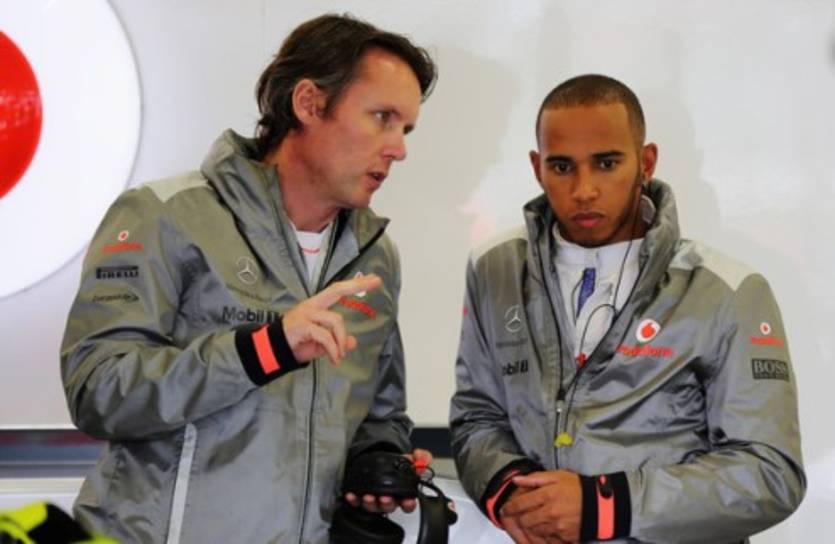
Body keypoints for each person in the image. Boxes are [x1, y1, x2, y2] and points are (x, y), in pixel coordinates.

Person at [61, 14, 436, 543]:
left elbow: (378, 413)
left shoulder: (375, 257)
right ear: (309, 103)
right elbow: (99, 391)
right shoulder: (164, 214)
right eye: (382, 118)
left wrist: (375, 461)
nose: (398, 148)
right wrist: (265, 349)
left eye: (406, 129)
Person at [449, 74, 805, 543]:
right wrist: (510, 490)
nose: (584, 189)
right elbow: (478, 415)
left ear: (646, 162)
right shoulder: (494, 268)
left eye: (606, 163)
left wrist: (603, 506)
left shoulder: (728, 291)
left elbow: (770, 473)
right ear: (537, 167)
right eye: (562, 167)